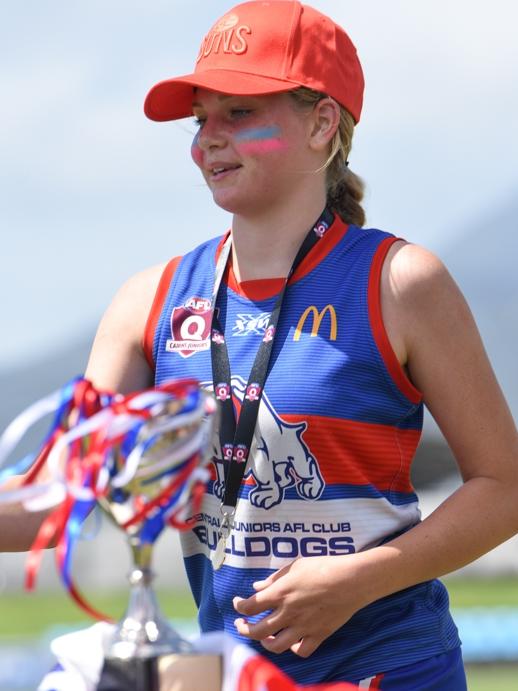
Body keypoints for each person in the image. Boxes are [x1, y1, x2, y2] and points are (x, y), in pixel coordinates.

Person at [3, 1, 518, 688]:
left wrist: (360, 579)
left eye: (238, 113)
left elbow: (505, 487)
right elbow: (69, 496)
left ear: (322, 123)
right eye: (200, 120)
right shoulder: (147, 300)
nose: (207, 139)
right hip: (232, 676)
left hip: (394, 670)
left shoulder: (400, 282)